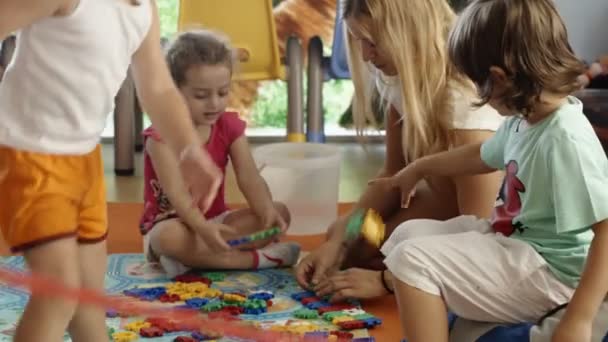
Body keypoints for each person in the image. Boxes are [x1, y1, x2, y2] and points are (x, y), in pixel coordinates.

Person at [371, 0, 608, 341]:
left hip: (551, 274)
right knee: (407, 237)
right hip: (515, 243)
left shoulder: (565, 139)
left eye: (476, 83)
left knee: (412, 261)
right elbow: (480, 156)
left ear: (497, 78)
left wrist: (579, 319)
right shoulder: (526, 120)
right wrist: (419, 167)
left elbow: (605, 230)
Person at [0, 0, 223, 341]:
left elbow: (159, 89)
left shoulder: (140, 9)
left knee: (88, 297)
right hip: (30, 155)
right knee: (59, 292)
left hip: (84, 160)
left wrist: (189, 149)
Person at [295, 0, 505, 301]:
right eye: (359, 42)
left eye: (372, 43)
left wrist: (386, 280)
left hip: (481, 231)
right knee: (353, 235)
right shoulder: (398, 77)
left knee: (392, 255)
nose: (366, 55)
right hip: (435, 202)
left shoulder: (464, 112)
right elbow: (392, 174)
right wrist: (340, 242)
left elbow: (478, 236)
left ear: (408, 34)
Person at [140, 29, 301, 278]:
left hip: (218, 222)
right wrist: (202, 229)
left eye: (223, 92)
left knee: (280, 212)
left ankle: (193, 261)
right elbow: (179, 196)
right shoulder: (160, 138)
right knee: (168, 238)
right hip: (175, 224)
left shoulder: (229, 127)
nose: (214, 103)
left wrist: (266, 212)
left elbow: (249, 177)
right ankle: (250, 260)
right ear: (175, 92)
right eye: (201, 95)